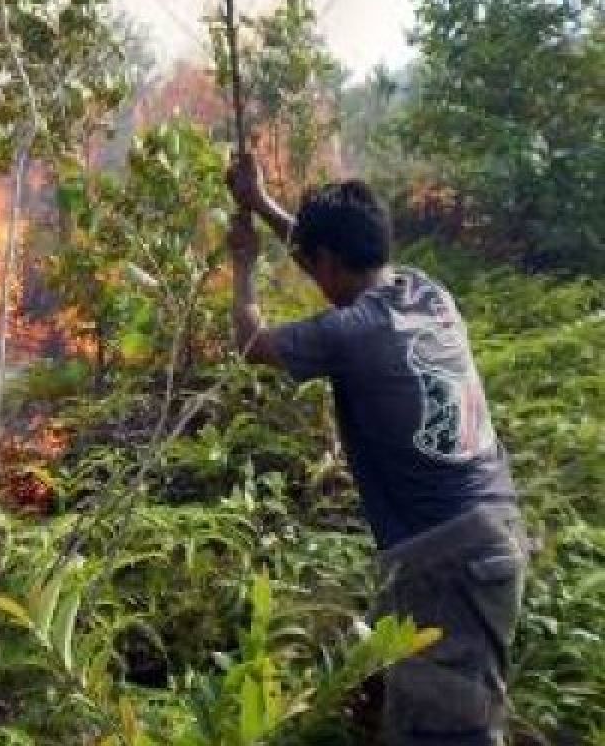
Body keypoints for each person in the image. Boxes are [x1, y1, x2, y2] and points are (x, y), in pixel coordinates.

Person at [225, 153, 528, 746]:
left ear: (330, 264)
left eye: (314, 265)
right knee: (442, 710)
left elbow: (251, 342)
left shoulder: (350, 332)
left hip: (446, 562)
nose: (311, 274)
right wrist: (262, 206)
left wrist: (243, 265)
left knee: (446, 734)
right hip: (493, 534)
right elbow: (327, 253)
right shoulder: (426, 291)